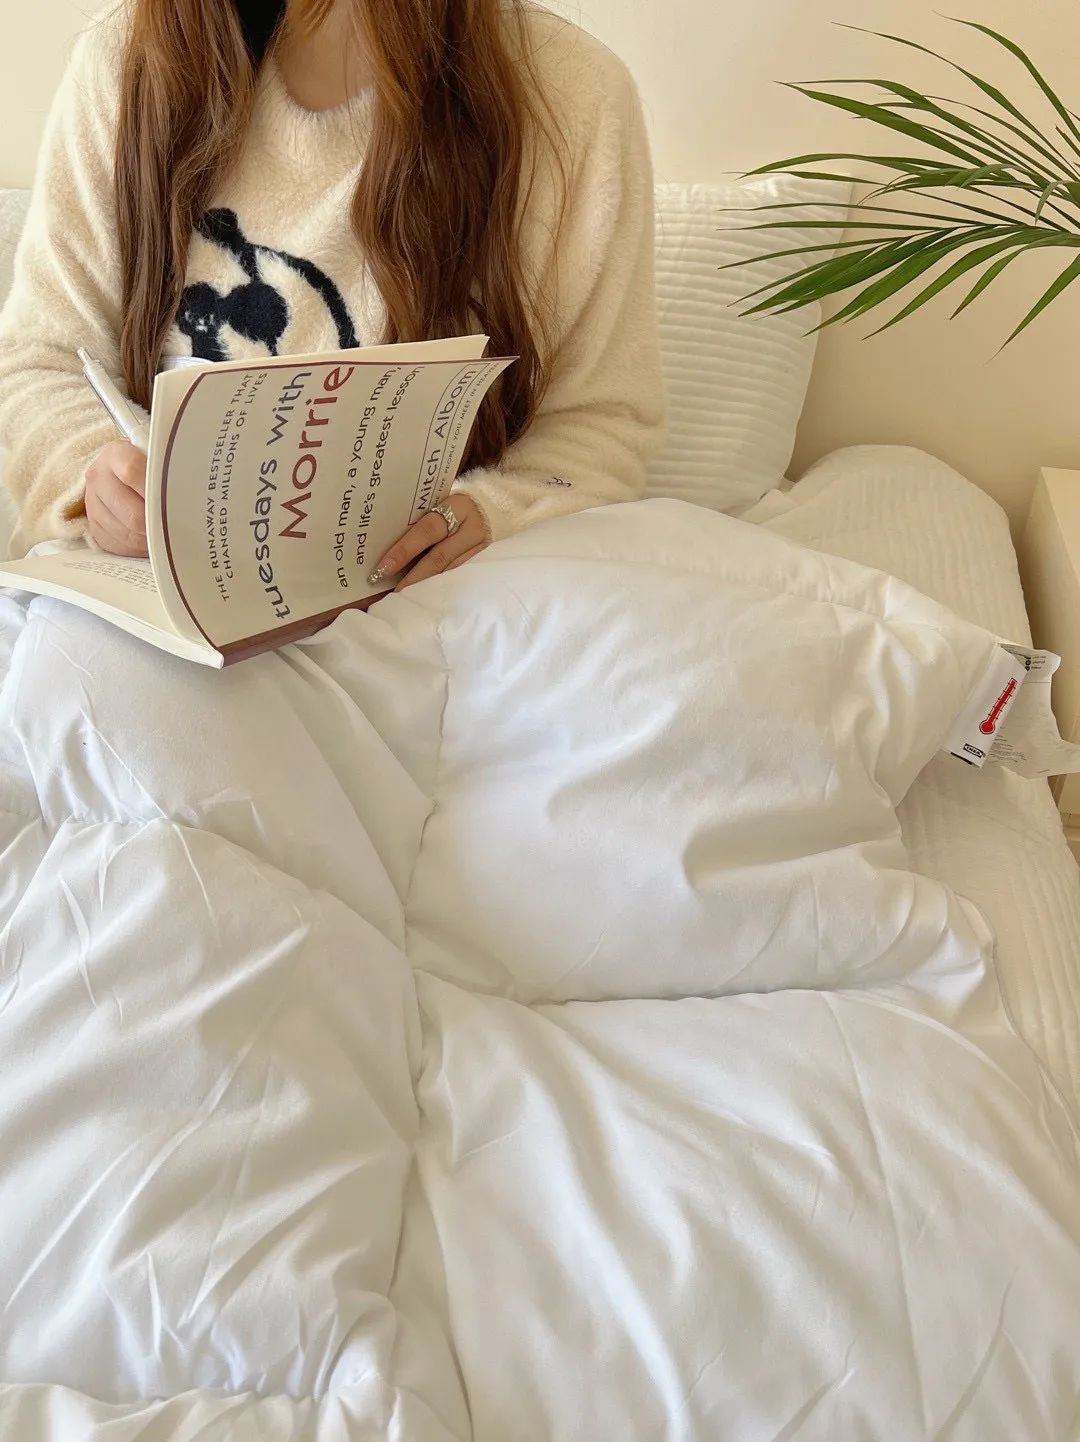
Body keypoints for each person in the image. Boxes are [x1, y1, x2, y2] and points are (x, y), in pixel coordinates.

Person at [0, 0, 663, 590]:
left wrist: (495, 513)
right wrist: (95, 483)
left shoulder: (572, 94)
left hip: (441, 601)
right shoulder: (128, 65)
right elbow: (42, 360)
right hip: (161, 596)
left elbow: (599, 422)